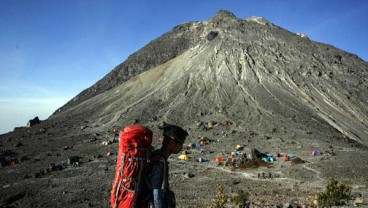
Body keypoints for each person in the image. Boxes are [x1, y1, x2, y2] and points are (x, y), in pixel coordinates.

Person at [139, 123, 188, 208]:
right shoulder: (160, 164)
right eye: (180, 143)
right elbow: (156, 195)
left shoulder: (155, 156)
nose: (181, 147)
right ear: (172, 143)